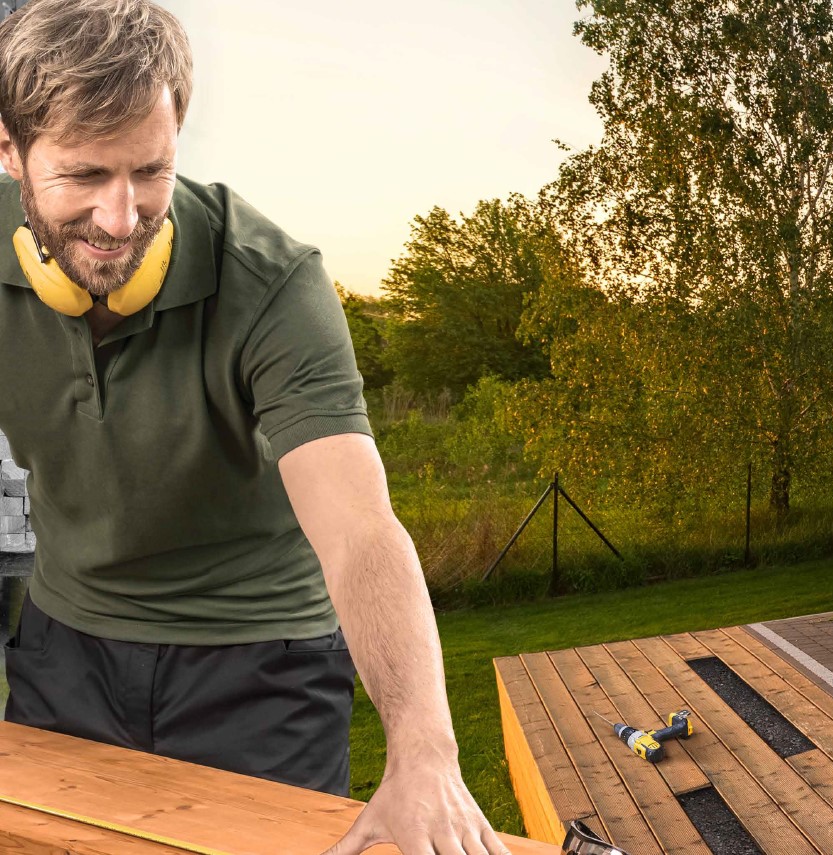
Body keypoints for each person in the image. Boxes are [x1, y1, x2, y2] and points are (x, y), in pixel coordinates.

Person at [0, 2, 511, 853]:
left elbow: (359, 529)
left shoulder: (272, 283)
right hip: (66, 647)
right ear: (11, 152)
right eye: (85, 176)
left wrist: (425, 749)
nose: (122, 219)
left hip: (260, 661)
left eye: (150, 172)